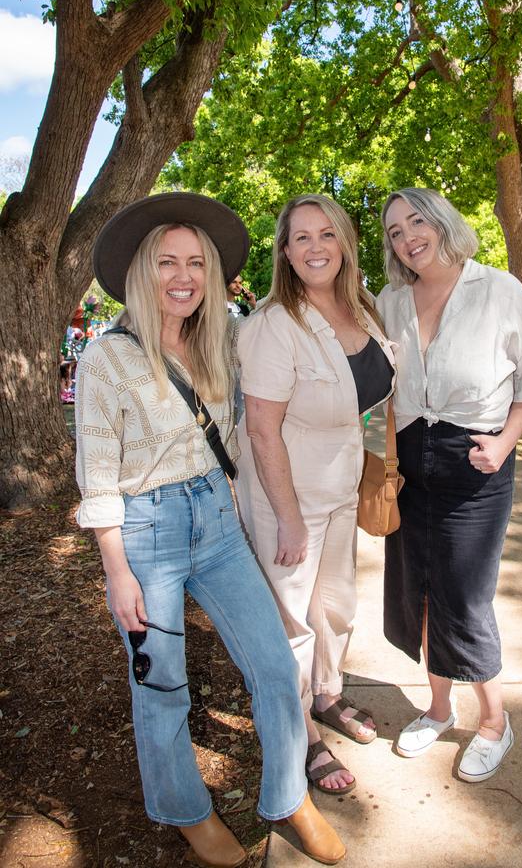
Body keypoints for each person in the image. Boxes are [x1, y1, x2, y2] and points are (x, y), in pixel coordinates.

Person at [75, 192, 345, 867]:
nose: (183, 276)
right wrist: (117, 572)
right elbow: (97, 478)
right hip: (146, 532)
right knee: (162, 686)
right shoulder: (106, 358)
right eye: (167, 261)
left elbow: (257, 410)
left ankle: (287, 797)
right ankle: (184, 810)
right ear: (143, 270)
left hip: (217, 524)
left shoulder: (220, 334)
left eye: (196, 262)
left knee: (277, 666)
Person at [377, 187, 522, 784]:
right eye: (395, 231)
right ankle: (437, 707)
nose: (408, 237)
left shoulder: (498, 290)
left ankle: (493, 723)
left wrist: (507, 440)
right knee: (419, 590)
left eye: (416, 222)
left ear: (441, 222)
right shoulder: (390, 300)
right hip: (410, 460)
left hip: (476, 460)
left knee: (465, 595)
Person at [235, 194, 396, 796]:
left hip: (341, 484)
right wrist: (288, 520)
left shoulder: (366, 309)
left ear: (346, 243)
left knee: (337, 603)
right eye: (301, 237)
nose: (316, 247)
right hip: (287, 493)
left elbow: (371, 398)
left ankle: (328, 696)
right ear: (285, 252)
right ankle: (300, 730)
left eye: (327, 234)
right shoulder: (274, 325)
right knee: (294, 620)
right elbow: (260, 428)